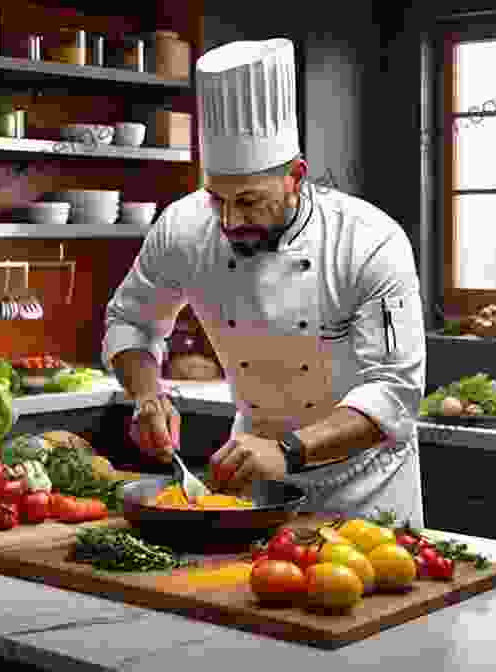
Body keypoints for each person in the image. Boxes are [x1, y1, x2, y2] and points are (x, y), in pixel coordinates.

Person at [102, 38, 427, 526]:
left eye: (251, 201)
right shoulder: (183, 227)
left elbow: (393, 393)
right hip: (253, 476)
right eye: (217, 199)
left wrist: (290, 451)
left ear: (296, 176)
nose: (230, 220)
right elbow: (131, 321)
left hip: (365, 488)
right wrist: (148, 396)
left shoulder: (369, 241)